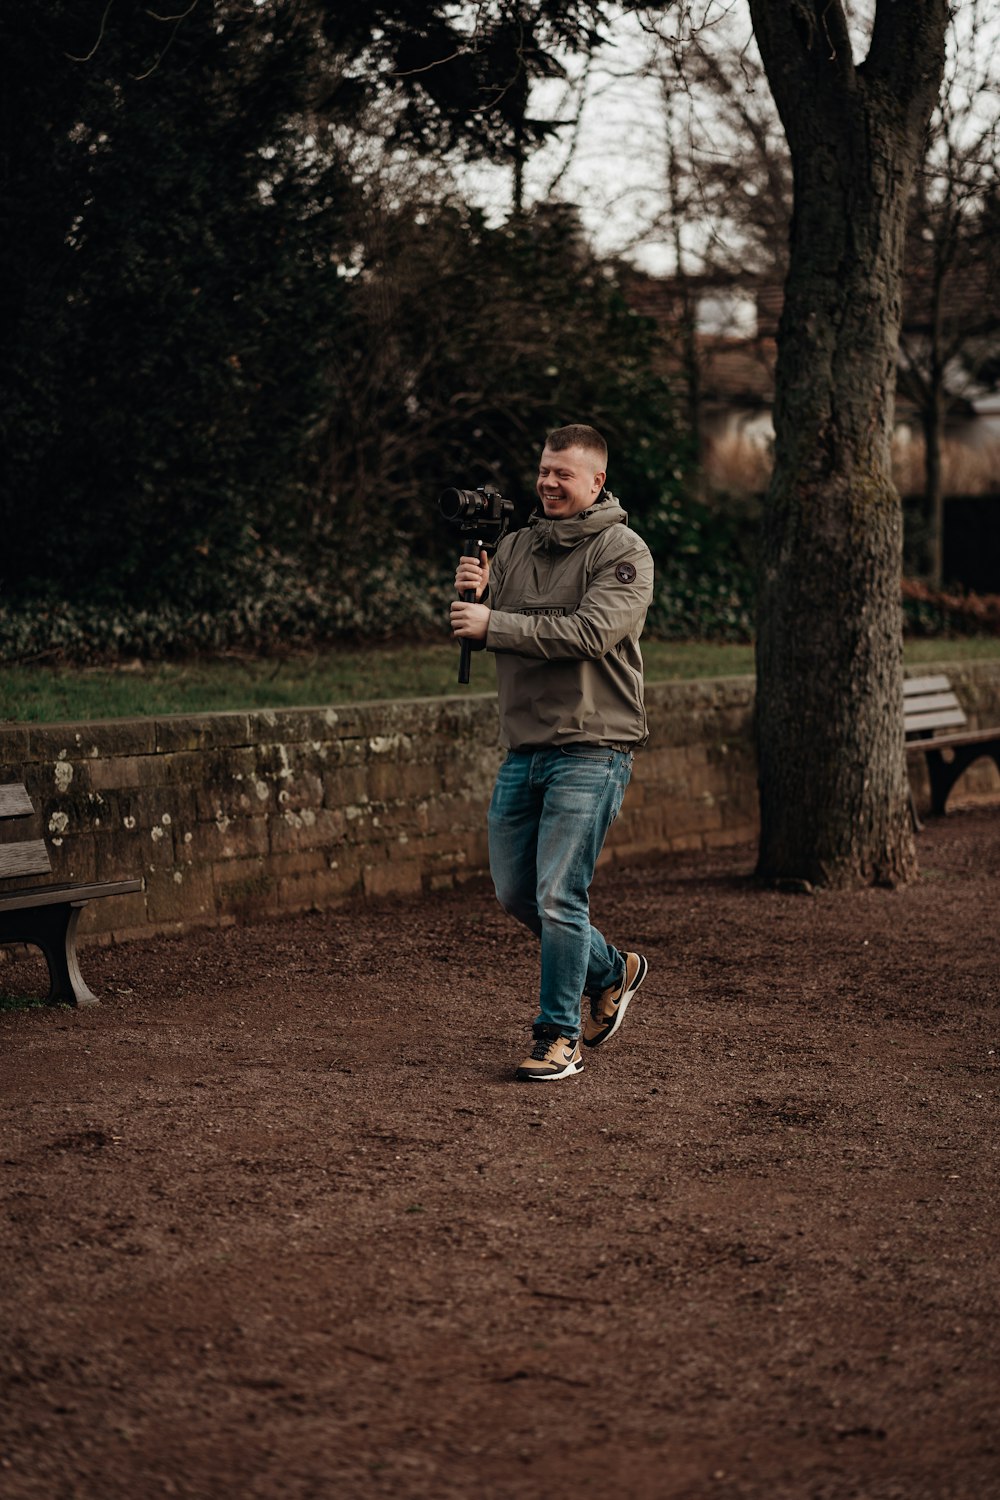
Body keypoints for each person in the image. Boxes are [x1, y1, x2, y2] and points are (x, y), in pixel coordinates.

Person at [450, 424, 654, 1082]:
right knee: (516, 893)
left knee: (559, 895)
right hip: (526, 746)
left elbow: (593, 632)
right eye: (543, 470)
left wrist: (496, 622)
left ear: (596, 482)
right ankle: (610, 970)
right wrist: (471, 599)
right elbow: (481, 633)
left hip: (593, 746)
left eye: (564, 473)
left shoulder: (624, 552)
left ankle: (557, 1035)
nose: (548, 482)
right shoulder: (513, 548)